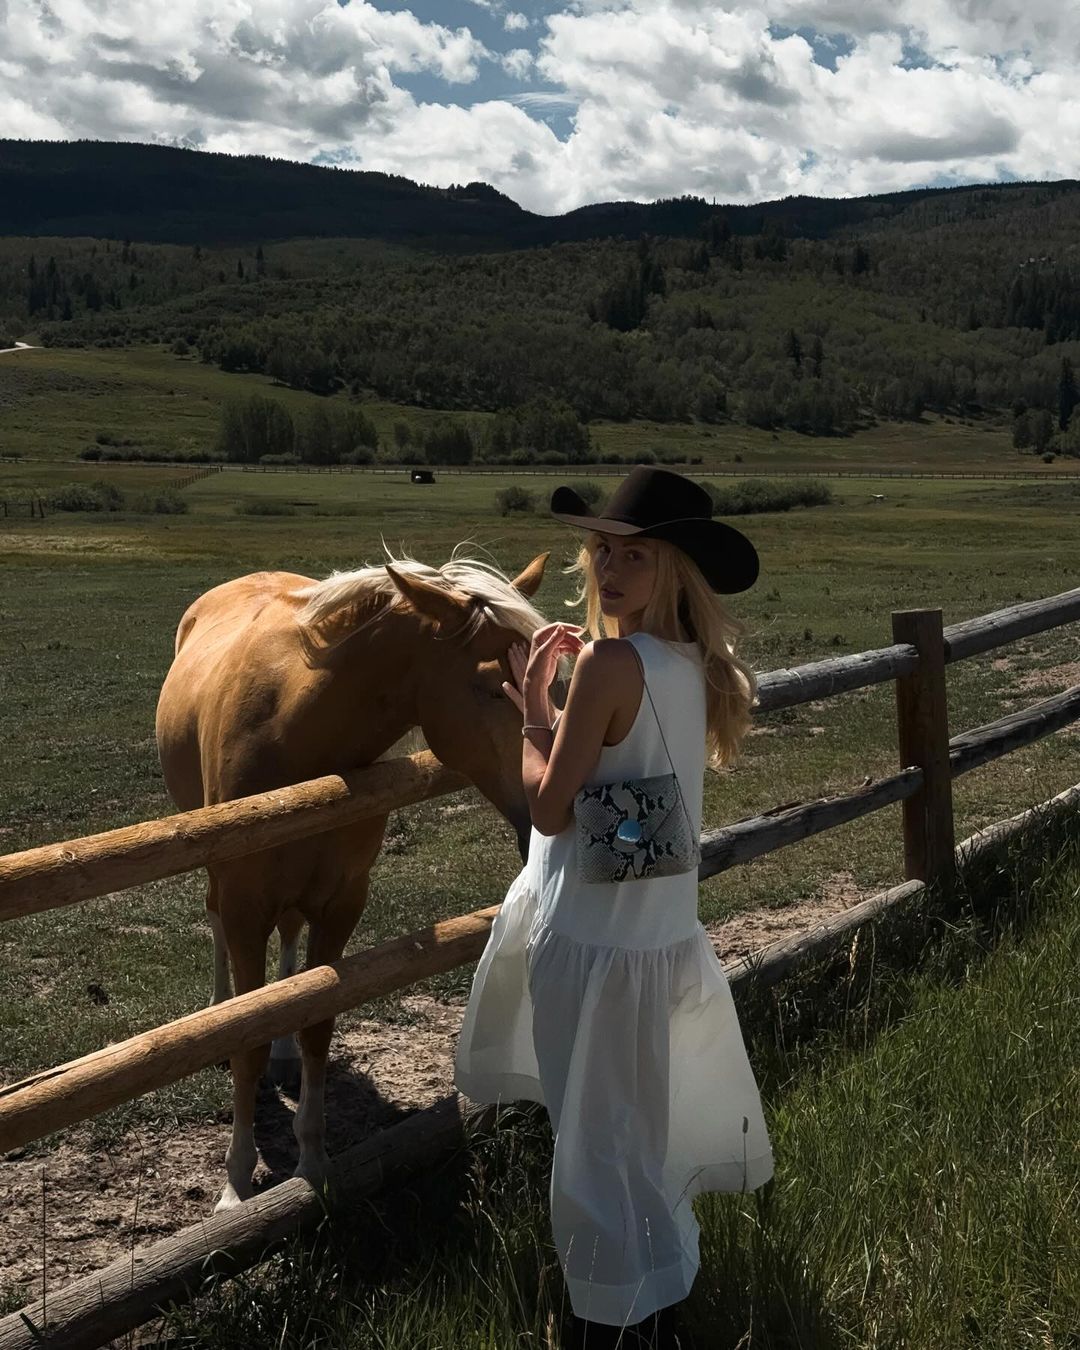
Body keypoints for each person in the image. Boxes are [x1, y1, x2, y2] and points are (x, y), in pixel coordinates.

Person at [454, 467, 774, 1347]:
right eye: (601, 549)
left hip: (593, 945)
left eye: (635, 553)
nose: (609, 567)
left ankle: (609, 1325)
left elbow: (551, 810)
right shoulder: (691, 666)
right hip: (658, 942)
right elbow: (627, 791)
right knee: (639, 1142)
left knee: (592, 1152)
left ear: (674, 568)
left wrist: (532, 712)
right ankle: (658, 1308)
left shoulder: (607, 660)